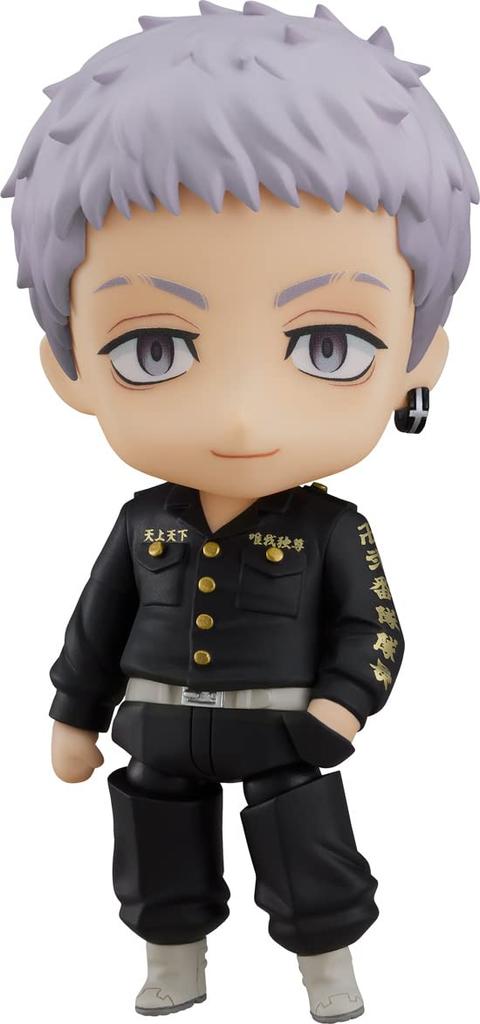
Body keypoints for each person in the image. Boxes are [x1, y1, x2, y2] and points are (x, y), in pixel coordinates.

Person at [2, 4, 477, 1021]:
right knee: (154, 843)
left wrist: (345, 701)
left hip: (286, 731)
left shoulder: (331, 528)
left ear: (417, 361)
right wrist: (73, 712)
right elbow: (96, 621)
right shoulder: (145, 522)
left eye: (329, 345)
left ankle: (327, 970)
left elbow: (374, 624)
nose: (241, 415)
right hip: (158, 723)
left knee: (311, 852)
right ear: (71, 367)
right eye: (155, 348)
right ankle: (174, 962)